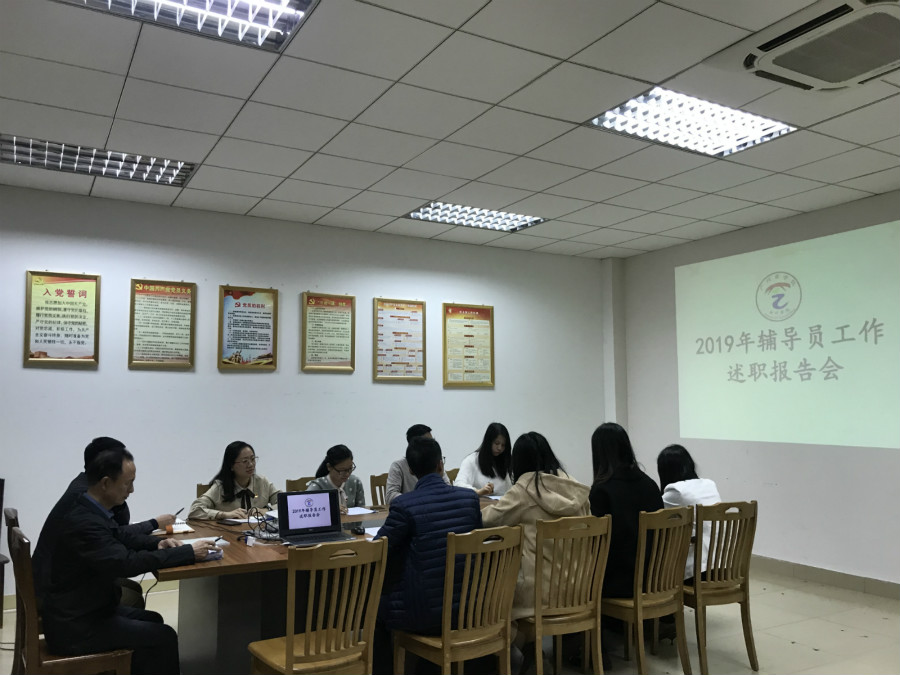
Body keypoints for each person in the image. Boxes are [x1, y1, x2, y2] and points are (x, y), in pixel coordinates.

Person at [42, 446, 216, 675]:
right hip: (77, 626)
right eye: (127, 483)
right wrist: (188, 552)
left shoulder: (89, 508)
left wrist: (157, 543)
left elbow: (119, 535)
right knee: (164, 636)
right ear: (105, 483)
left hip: (84, 611)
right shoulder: (85, 522)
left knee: (154, 620)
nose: (132, 490)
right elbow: (126, 563)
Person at [373, 436, 483, 672]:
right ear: (440, 465)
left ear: (411, 470)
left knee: (374, 608)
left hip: (426, 615)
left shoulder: (405, 505)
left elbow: (378, 550)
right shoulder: (469, 499)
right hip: (471, 609)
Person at [33, 436, 176, 607]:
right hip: (56, 589)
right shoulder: (83, 497)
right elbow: (116, 536)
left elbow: (115, 531)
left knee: (132, 588)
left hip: (58, 576)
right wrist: (154, 524)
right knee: (132, 598)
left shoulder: (84, 486)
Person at [482, 431, 589, 620]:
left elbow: (488, 520)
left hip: (540, 595)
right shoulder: (576, 489)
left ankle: (511, 637)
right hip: (579, 589)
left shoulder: (524, 490)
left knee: (490, 589)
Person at [589, 422, 663, 598]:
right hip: (656, 578)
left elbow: (598, 544)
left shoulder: (602, 490)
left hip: (621, 582)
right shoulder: (650, 484)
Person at [657, 444, 722, 580]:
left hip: (696, 571)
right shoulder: (709, 484)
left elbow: (655, 515)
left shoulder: (676, 491)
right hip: (722, 565)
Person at [189, 441, 279, 520]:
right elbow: (195, 510)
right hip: (227, 532)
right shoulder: (220, 487)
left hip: (259, 531)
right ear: (231, 466)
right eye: (245, 461)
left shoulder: (262, 482)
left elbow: (285, 503)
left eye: (252, 459)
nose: (251, 464)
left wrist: (266, 510)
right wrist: (224, 515)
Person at [384, 424, 451, 504]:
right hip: (410, 508)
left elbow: (448, 488)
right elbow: (390, 496)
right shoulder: (398, 466)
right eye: (428, 442)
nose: (433, 445)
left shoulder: (435, 462)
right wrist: (418, 499)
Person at [455, 422, 513, 497]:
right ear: (488, 442)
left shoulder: (503, 461)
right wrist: (478, 492)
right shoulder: (472, 460)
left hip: (500, 503)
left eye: (503, 445)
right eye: (496, 443)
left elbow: (509, 490)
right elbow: (458, 485)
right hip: (479, 503)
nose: (500, 448)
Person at [305, 444, 366, 513]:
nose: (347, 474)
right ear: (329, 467)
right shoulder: (318, 486)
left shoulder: (355, 482)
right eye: (342, 470)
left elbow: (362, 510)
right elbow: (305, 507)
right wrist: (330, 508)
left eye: (350, 469)